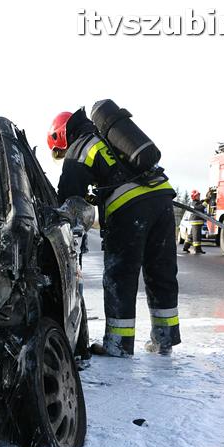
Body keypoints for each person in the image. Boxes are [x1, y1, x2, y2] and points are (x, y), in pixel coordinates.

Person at [48, 108, 181, 356]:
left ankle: (118, 346)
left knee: (120, 277)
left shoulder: (80, 147)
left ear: (62, 137)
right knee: (161, 271)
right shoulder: (111, 136)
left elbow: (67, 197)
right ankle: (165, 340)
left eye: (60, 150)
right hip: (162, 198)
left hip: (129, 208)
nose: (63, 154)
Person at [182, 190, 206, 254]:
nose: (199, 196)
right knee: (197, 236)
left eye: (199, 195)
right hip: (196, 221)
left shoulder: (196, 202)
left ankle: (185, 247)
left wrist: (205, 200)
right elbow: (200, 207)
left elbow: (200, 204)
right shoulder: (194, 203)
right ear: (194, 197)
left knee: (191, 236)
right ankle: (197, 249)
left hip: (196, 221)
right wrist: (206, 202)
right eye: (198, 196)